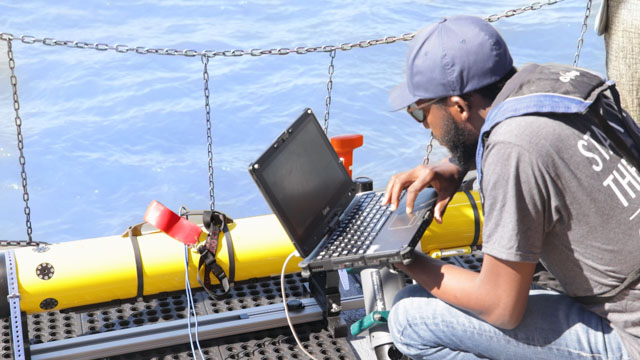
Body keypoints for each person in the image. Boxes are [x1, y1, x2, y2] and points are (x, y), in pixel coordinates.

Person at [382, 15, 639, 359]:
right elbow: (542, 147)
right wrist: (453, 169)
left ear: (458, 107)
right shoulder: (557, 83)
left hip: (630, 336)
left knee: (409, 317)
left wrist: (404, 259)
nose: (425, 126)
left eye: (421, 112)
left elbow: (500, 308)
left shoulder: (512, 147)